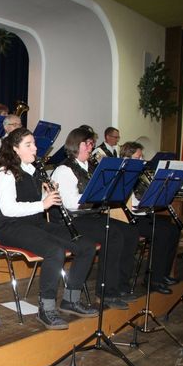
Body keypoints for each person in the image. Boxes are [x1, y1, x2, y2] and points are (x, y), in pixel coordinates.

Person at [0, 127, 98, 329]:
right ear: (15, 149)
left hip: (35, 223)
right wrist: (44, 204)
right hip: (10, 227)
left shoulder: (33, 170)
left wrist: (47, 195)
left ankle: (71, 300)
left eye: (34, 144)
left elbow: (32, 201)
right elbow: (9, 209)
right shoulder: (4, 173)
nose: (35, 148)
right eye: (28, 145)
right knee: (54, 251)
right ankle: (46, 308)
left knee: (86, 246)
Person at [51, 127, 140, 310]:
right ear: (77, 144)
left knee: (130, 232)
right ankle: (106, 293)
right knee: (113, 235)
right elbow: (70, 203)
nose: (91, 147)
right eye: (88, 143)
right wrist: (95, 195)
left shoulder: (91, 167)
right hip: (71, 220)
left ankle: (121, 285)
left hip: (89, 216)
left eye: (92, 143)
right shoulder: (64, 169)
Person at [120, 141, 180, 294]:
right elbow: (129, 204)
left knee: (174, 230)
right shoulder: (123, 174)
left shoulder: (140, 175)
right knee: (162, 232)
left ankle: (163, 274)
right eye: (138, 157)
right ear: (127, 158)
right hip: (129, 219)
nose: (142, 160)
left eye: (142, 157)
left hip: (143, 214)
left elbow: (145, 196)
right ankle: (153, 280)